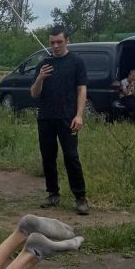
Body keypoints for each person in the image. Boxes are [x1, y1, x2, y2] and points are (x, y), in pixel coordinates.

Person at [30, 25, 89, 215]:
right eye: (52, 42)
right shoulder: (44, 64)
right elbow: (34, 94)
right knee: (48, 157)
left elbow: (82, 90)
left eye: (59, 42)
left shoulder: (77, 62)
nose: (55, 46)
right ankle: (53, 193)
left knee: (71, 157)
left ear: (67, 41)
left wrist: (79, 115)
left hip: (68, 117)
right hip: (46, 117)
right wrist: (40, 78)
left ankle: (80, 198)